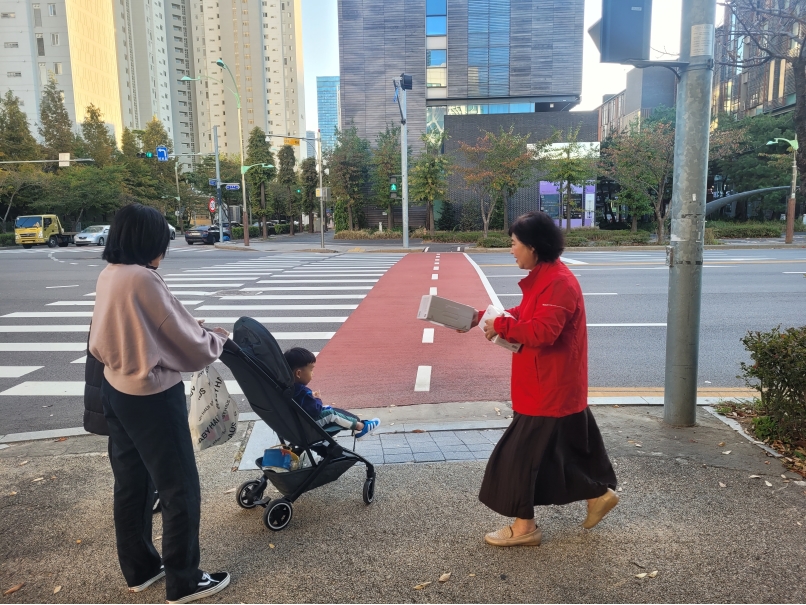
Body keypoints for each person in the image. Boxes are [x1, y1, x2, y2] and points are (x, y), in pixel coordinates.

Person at [90, 204, 231, 603]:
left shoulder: (111, 274)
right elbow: (184, 340)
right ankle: (185, 579)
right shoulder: (144, 279)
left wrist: (193, 329)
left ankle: (141, 569)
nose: (164, 250)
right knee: (179, 488)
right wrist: (215, 338)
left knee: (132, 484)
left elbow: (144, 327)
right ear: (149, 241)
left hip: (115, 389)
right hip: (151, 396)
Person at [466, 211, 618, 547]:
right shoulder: (546, 277)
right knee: (556, 456)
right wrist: (485, 318)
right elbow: (527, 313)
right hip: (548, 386)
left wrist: (501, 326)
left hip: (548, 389)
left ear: (533, 246)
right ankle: (597, 495)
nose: (511, 250)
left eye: (514, 244)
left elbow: (543, 331)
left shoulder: (558, 282)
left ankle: (524, 528)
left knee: (519, 458)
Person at [284, 347, 380, 438]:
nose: (313, 373)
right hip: (308, 425)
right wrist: (317, 399)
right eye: (311, 369)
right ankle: (361, 427)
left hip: (295, 423)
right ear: (298, 373)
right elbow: (315, 410)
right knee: (331, 414)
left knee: (328, 410)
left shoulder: (289, 388)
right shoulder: (302, 391)